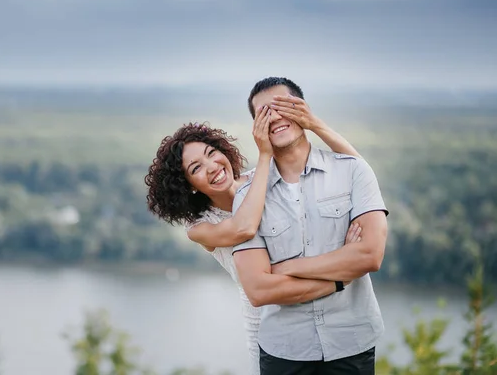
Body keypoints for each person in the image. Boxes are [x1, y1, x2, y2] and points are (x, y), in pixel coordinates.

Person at [145, 96, 361, 374]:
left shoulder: (260, 177)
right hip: (271, 328)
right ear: (189, 187)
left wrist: (314, 125)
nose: (211, 167)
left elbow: (354, 167)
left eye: (211, 153)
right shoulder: (200, 228)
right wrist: (342, 277)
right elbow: (245, 226)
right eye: (196, 168)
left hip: (323, 317)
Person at [232, 77, 389, 375]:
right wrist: (339, 278)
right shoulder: (247, 199)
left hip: (351, 343)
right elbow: (258, 290)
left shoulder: (353, 170)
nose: (275, 116)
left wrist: (287, 267)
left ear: (303, 110)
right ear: (256, 128)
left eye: (283, 106)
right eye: (264, 113)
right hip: (284, 351)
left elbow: (370, 256)